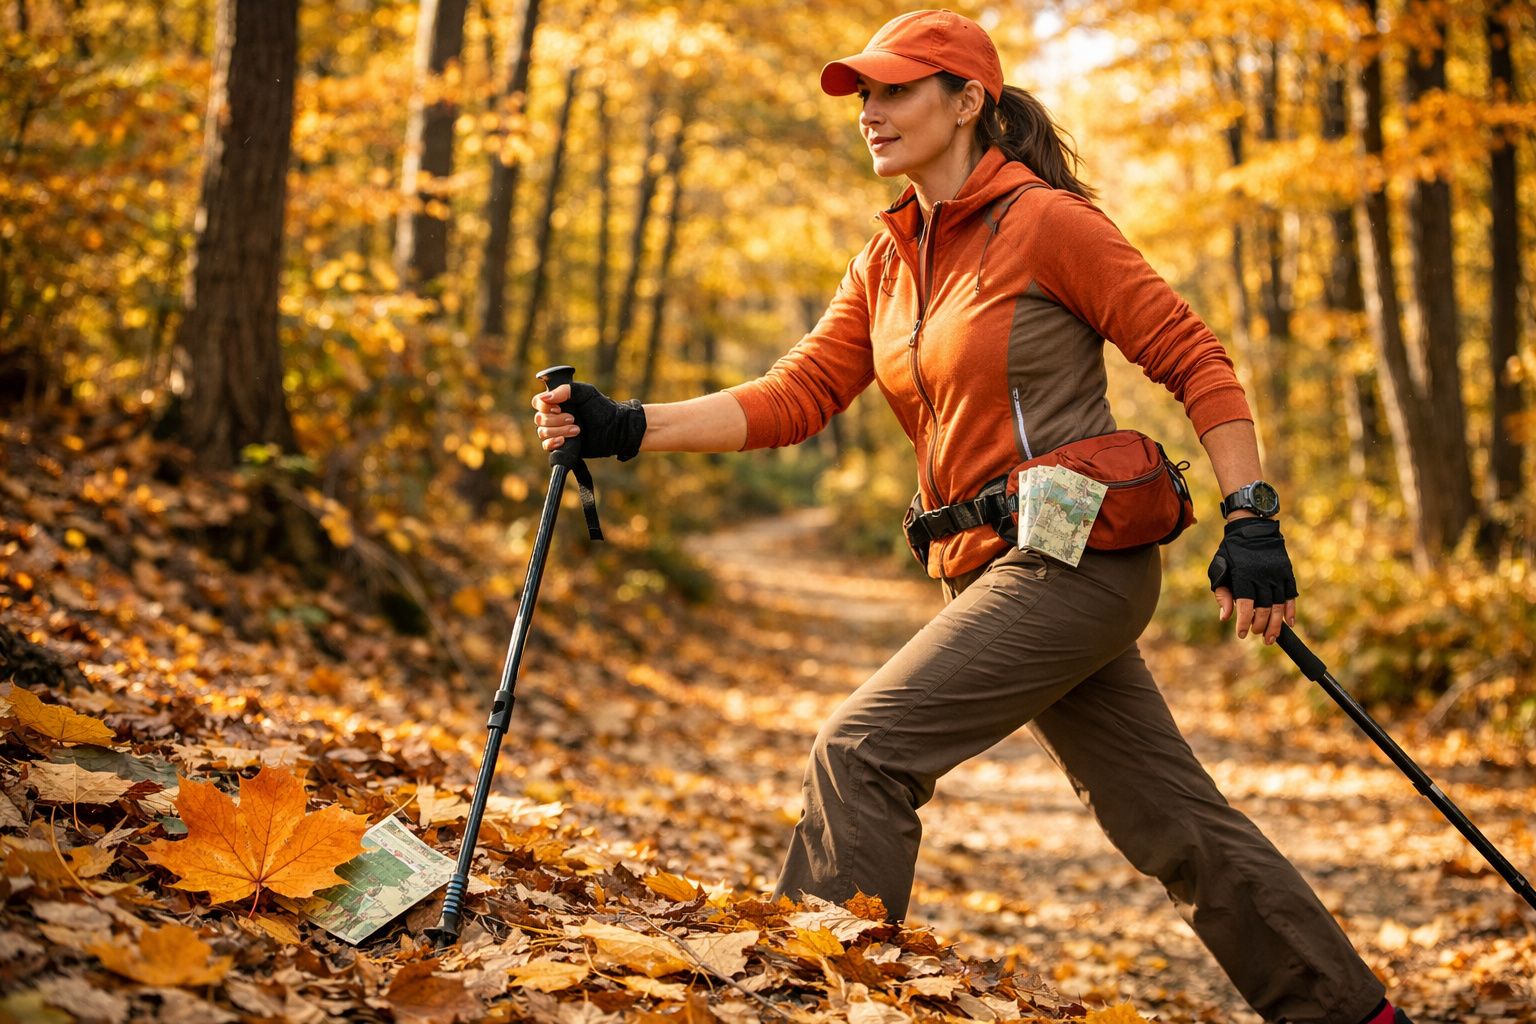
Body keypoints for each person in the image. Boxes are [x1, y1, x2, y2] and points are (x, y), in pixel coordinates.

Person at [532, 11, 1409, 1024]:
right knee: (1173, 820)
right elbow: (797, 395)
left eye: (897, 89)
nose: (871, 112)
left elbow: (1194, 358)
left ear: (967, 101)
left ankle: (805, 1000)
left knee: (859, 750)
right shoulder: (891, 257)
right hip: (986, 568)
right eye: (864, 94)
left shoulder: (1046, 225)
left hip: (1072, 564)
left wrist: (1251, 513)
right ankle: (1354, 1014)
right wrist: (628, 425)